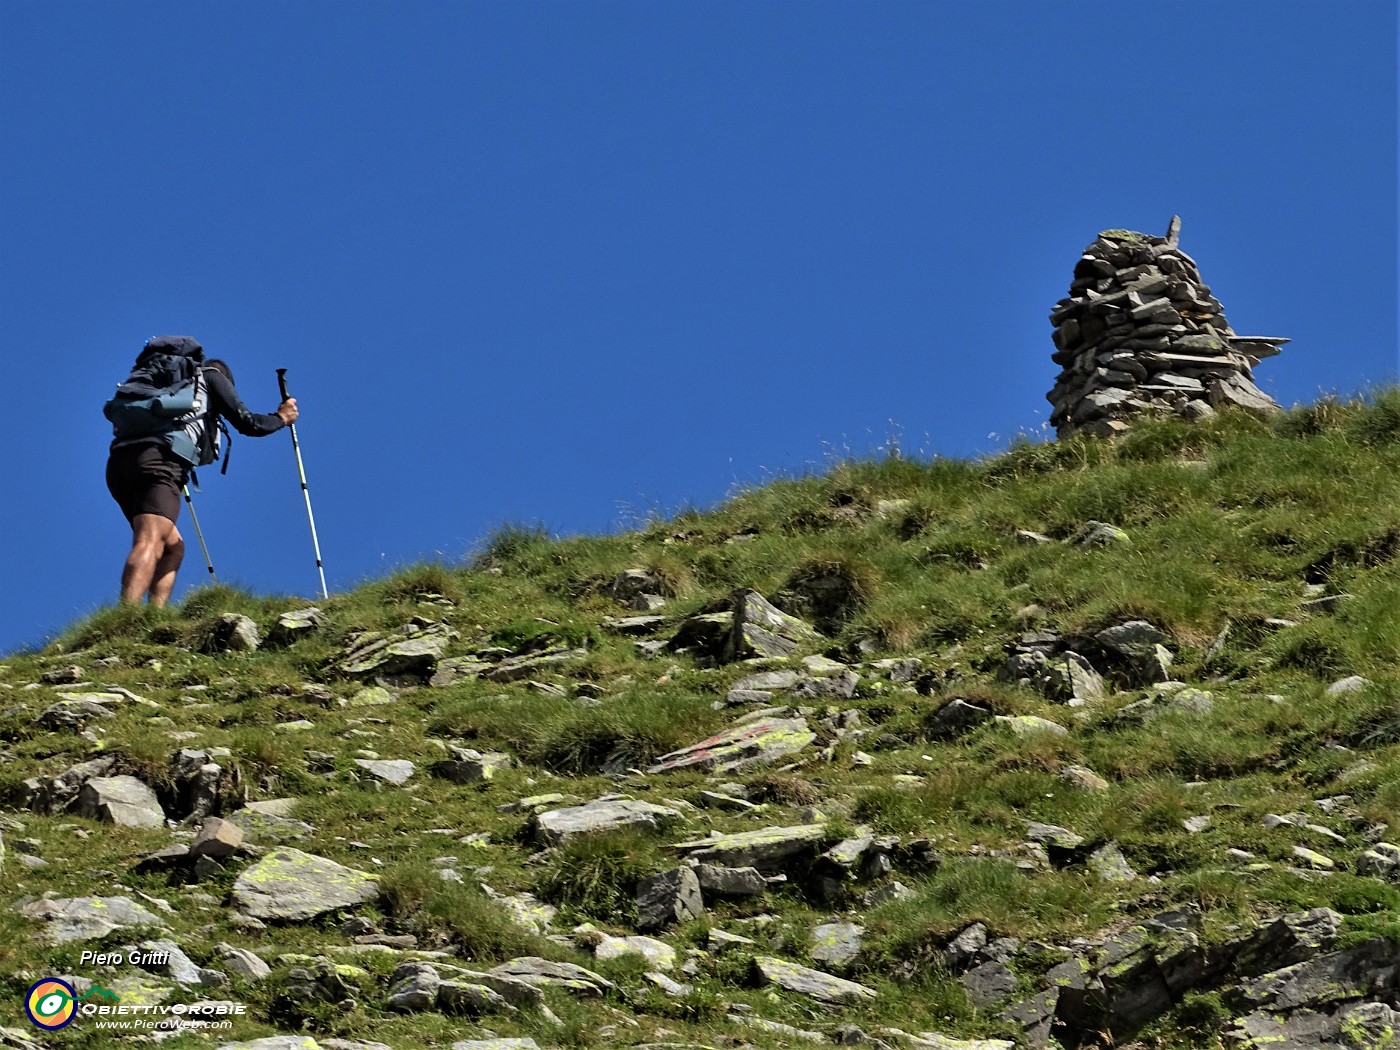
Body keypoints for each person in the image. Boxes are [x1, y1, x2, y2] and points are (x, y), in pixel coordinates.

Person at [106, 349, 299, 606]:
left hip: (119, 464)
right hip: (160, 462)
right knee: (149, 540)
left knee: (173, 547)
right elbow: (248, 423)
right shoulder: (212, 376)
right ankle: (126, 619)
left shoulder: (167, 388)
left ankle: (152, 617)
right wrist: (282, 417)